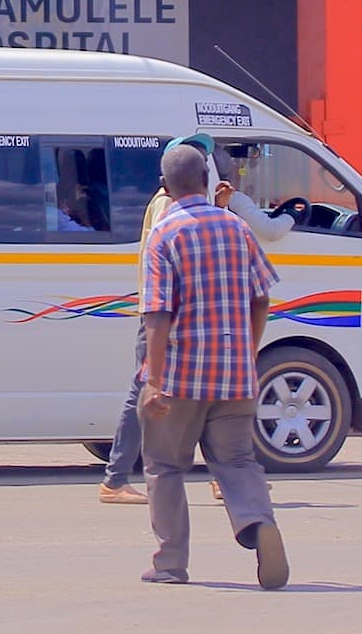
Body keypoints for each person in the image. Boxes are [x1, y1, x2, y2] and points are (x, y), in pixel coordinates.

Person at [100, 133, 294, 506]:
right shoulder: (168, 209)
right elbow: (254, 293)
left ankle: (221, 477)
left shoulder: (190, 209)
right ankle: (116, 478)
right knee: (148, 393)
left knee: (203, 396)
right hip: (165, 321)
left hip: (173, 319)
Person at [137, 142, 288, 589]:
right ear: (206, 181)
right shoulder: (237, 228)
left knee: (165, 467)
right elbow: (262, 299)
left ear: (165, 186)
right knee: (238, 463)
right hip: (235, 374)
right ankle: (259, 522)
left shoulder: (164, 234)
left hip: (180, 376)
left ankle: (170, 563)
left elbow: (157, 316)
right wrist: (249, 351)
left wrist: (154, 382)